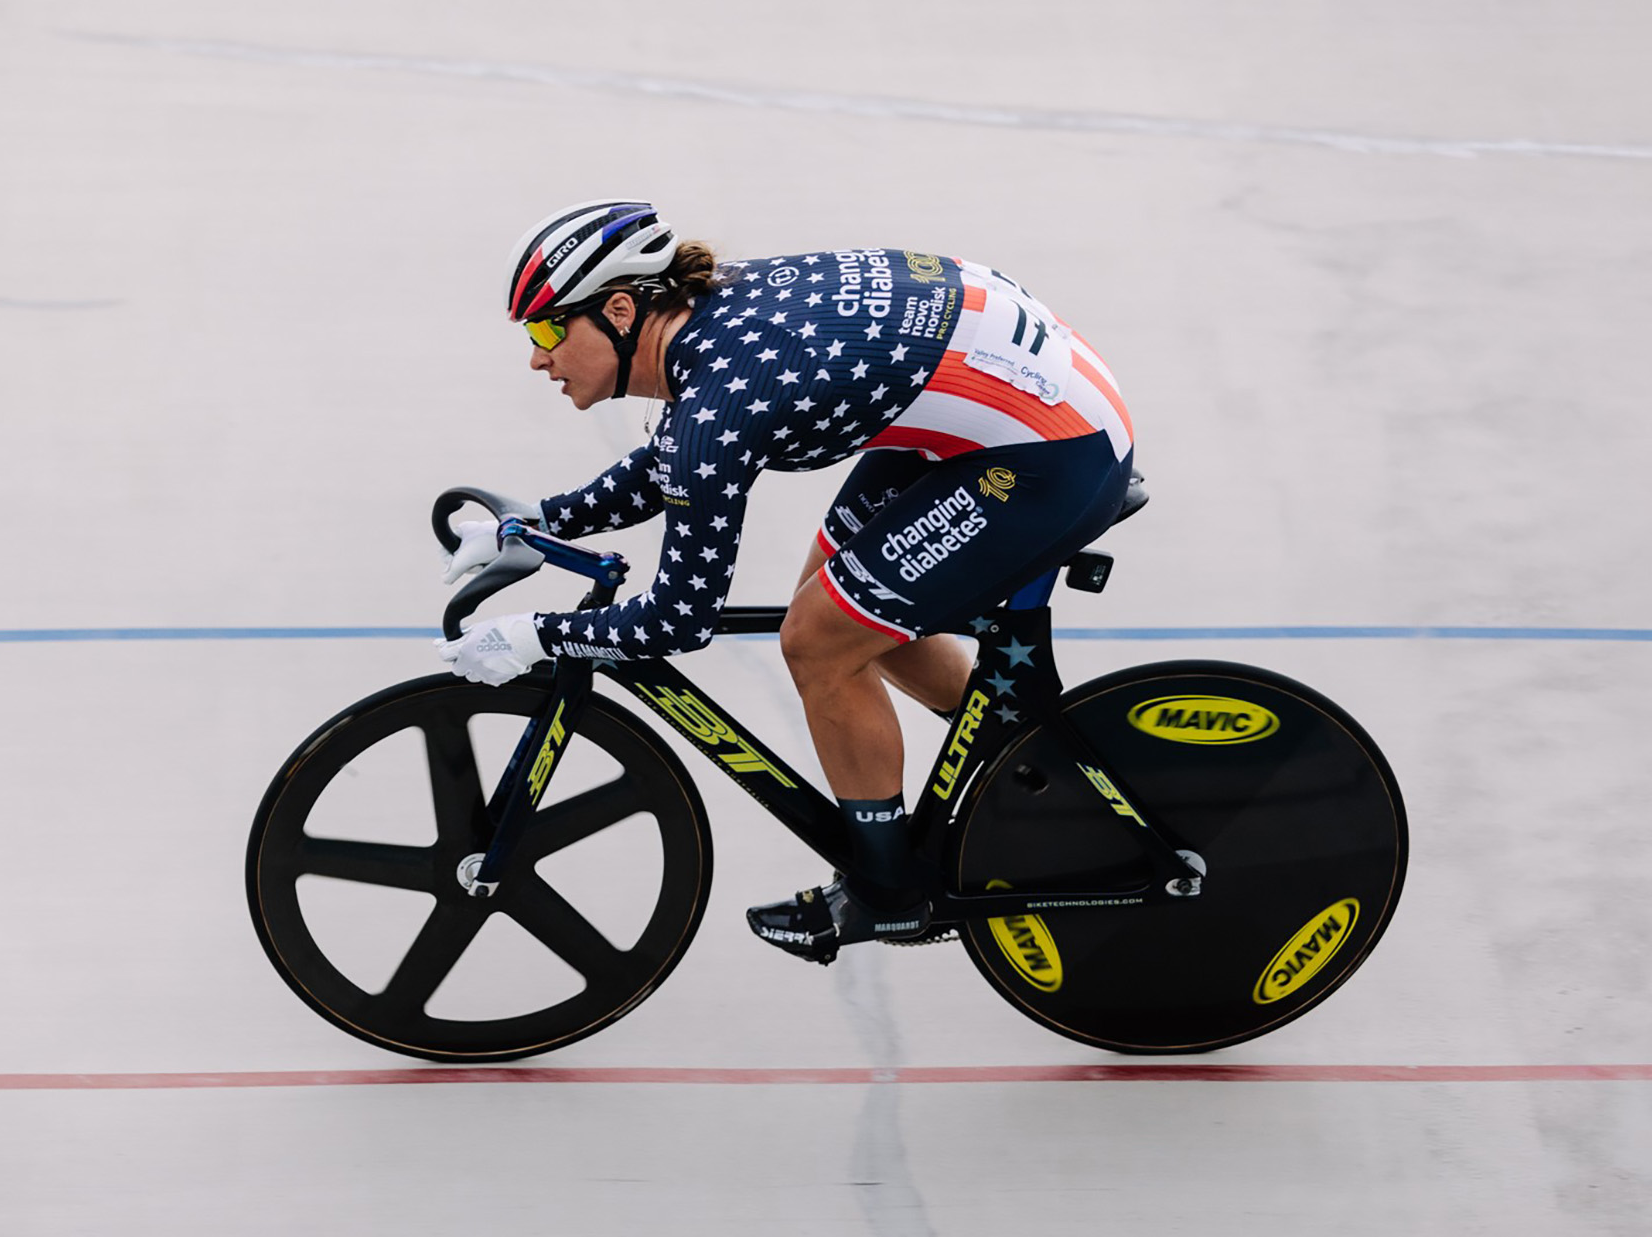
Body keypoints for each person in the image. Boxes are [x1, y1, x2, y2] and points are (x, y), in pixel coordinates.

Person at [437, 199, 1135, 964]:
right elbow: (672, 466)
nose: (539, 358)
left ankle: (888, 890)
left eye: (545, 330)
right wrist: (542, 519)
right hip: (997, 405)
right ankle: (1025, 766)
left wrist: (536, 637)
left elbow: (679, 617)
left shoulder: (721, 394)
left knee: (820, 644)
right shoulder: (704, 328)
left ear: (621, 308)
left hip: (1050, 450)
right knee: (841, 607)